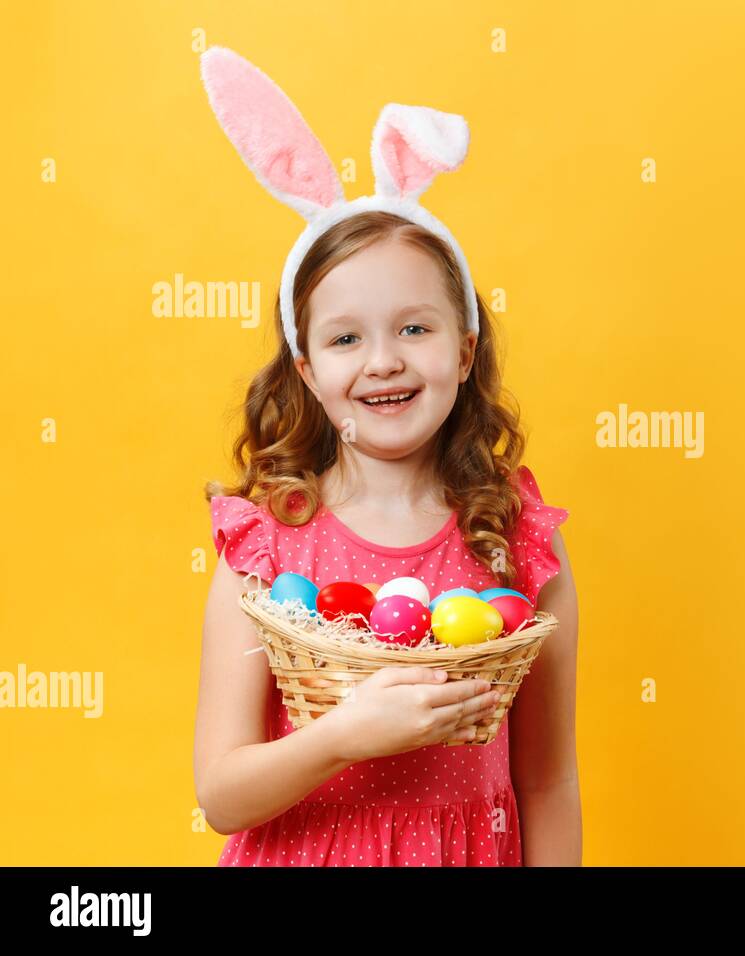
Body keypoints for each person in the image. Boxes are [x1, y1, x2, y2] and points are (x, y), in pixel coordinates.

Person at [192, 46, 580, 866]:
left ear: (466, 348)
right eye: (345, 338)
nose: (384, 361)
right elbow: (221, 794)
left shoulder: (514, 539)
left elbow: (547, 782)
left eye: (415, 327)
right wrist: (342, 737)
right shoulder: (267, 547)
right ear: (308, 369)